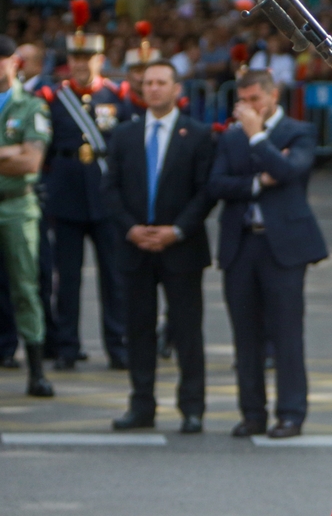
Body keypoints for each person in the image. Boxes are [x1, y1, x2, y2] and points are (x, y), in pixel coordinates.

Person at [208, 70, 328, 439]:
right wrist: (259, 181)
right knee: (246, 335)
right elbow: (217, 183)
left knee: (287, 332)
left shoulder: (298, 132)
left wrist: (257, 137)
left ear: (273, 95)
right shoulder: (230, 137)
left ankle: (291, 413)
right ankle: (252, 413)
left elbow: (289, 169)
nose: (248, 108)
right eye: (242, 101)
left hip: (284, 247)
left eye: (255, 100)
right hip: (242, 243)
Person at [103, 61, 216, 433]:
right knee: (138, 329)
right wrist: (131, 229)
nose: (152, 88)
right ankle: (141, 405)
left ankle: (192, 407)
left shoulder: (197, 135)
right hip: (135, 247)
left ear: (176, 89)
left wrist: (178, 230)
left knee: (186, 330)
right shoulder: (124, 135)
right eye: (147, 82)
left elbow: (205, 192)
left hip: (181, 248)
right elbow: (110, 189)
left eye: (160, 82)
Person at [38, 0, 127, 371]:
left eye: (87, 59)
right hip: (66, 194)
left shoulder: (117, 97)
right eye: (75, 59)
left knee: (114, 277)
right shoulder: (53, 98)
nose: (80, 65)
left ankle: (118, 344)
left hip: (106, 196)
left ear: (100, 60)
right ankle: (67, 346)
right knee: (68, 279)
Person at [0, 35, 54, 396]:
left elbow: (32, 160)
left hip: (17, 204)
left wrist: (18, 153)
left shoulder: (30, 106)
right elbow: (17, 157)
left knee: (25, 287)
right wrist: (9, 152)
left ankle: (36, 370)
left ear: (13, 62)